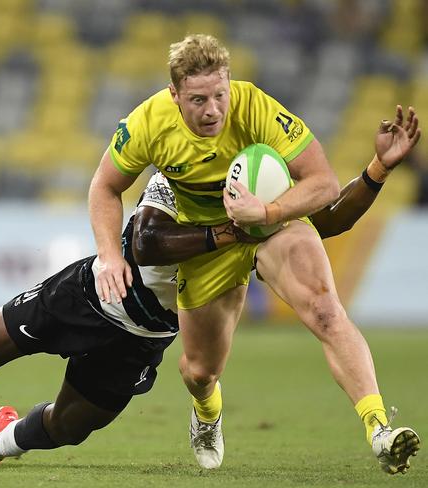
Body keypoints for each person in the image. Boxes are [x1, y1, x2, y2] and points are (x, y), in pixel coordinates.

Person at [0, 113, 419, 469]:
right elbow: (145, 245)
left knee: (65, 429)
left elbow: (328, 217)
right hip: (92, 296)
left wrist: (374, 173)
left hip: (142, 339)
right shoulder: (185, 185)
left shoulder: (262, 210)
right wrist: (231, 231)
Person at [87, 33, 421, 474]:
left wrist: (268, 210)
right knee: (200, 371)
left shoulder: (256, 107)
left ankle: (379, 429)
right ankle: (207, 412)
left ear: (230, 84)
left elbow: (322, 184)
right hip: (211, 242)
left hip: (273, 226)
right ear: (175, 94)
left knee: (325, 310)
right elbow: (105, 187)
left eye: (220, 95)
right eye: (198, 99)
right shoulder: (149, 122)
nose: (212, 110)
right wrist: (110, 255)